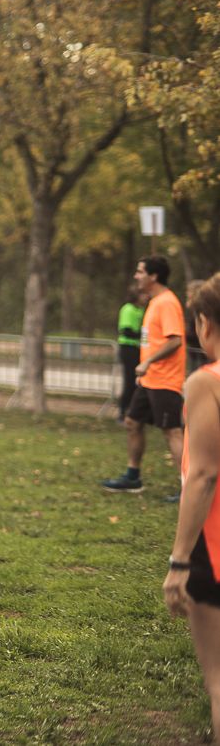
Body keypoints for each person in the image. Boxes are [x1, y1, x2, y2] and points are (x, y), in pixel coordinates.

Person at [163, 271, 220, 739]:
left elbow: (202, 475)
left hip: (215, 547)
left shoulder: (207, 382)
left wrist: (179, 561)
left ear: (205, 323)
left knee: (219, 685)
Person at [103, 256, 186, 495]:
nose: (136, 276)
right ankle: (132, 477)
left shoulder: (167, 303)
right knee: (132, 422)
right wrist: (145, 368)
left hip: (165, 380)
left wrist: (148, 361)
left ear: (153, 276)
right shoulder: (155, 302)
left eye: (140, 272)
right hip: (150, 378)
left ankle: (188, 487)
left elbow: (176, 340)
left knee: (172, 432)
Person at [116, 285, 147, 422]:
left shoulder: (141, 310)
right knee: (129, 381)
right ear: (137, 296)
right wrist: (144, 335)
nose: (146, 297)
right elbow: (126, 331)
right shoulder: (128, 309)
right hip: (128, 348)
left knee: (137, 382)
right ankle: (122, 412)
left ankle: (135, 412)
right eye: (143, 295)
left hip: (138, 348)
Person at [186, 279, 208, 376]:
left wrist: (183, 334)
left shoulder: (200, 309)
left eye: (189, 291)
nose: (187, 293)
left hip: (201, 352)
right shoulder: (193, 308)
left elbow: (198, 332)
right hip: (194, 351)